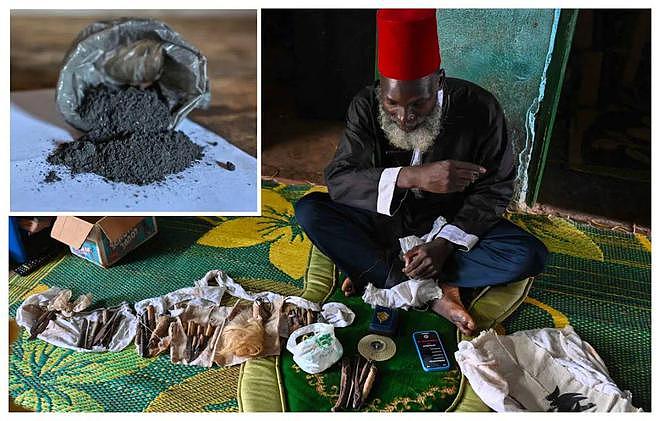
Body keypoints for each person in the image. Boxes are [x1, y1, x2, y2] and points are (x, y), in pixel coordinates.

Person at [295, 9, 548, 335]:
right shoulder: (365, 105)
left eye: (418, 104)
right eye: (392, 103)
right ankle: (431, 293)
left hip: (448, 222)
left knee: (528, 256)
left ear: (438, 82)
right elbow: (340, 179)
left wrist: (445, 243)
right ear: (381, 91)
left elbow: (496, 188)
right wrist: (412, 176)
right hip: (382, 221)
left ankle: (377, 269)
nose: (404, 117)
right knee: (310, 211)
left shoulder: (480, 108)